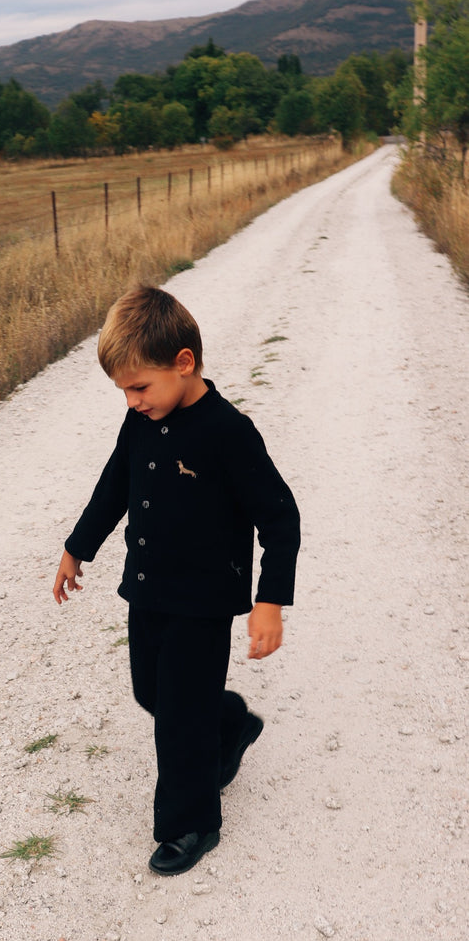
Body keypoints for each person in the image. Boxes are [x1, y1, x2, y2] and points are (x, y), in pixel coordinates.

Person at [53, 285, 300, 876]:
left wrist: (270, 601)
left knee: (179, 717)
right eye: (124, 391)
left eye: (140, 387)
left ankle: (190, 822)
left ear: (183, 363)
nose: (133, 401)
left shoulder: (227, 433)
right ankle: (231, 723)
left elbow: (280, 517)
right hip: (150, 588)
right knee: (153, 694)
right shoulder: (143, 420)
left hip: (205, 599)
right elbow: (116, 484)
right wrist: (76, 546)